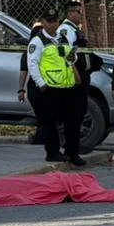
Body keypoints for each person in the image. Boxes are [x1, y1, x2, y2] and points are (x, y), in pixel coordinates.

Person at [23, 10, 84, 166]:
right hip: (49, 87)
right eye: (49, 21)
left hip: (66, 85)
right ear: (42, 22)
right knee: (49, 122)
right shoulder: (37, 41)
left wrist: (73, 59)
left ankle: (72, 152)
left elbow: (70, 57)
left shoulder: (62, 37)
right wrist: (41, 84)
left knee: (73, 120)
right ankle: (53, 152)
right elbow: (32, 64)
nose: (52, 24)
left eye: (55, 20)